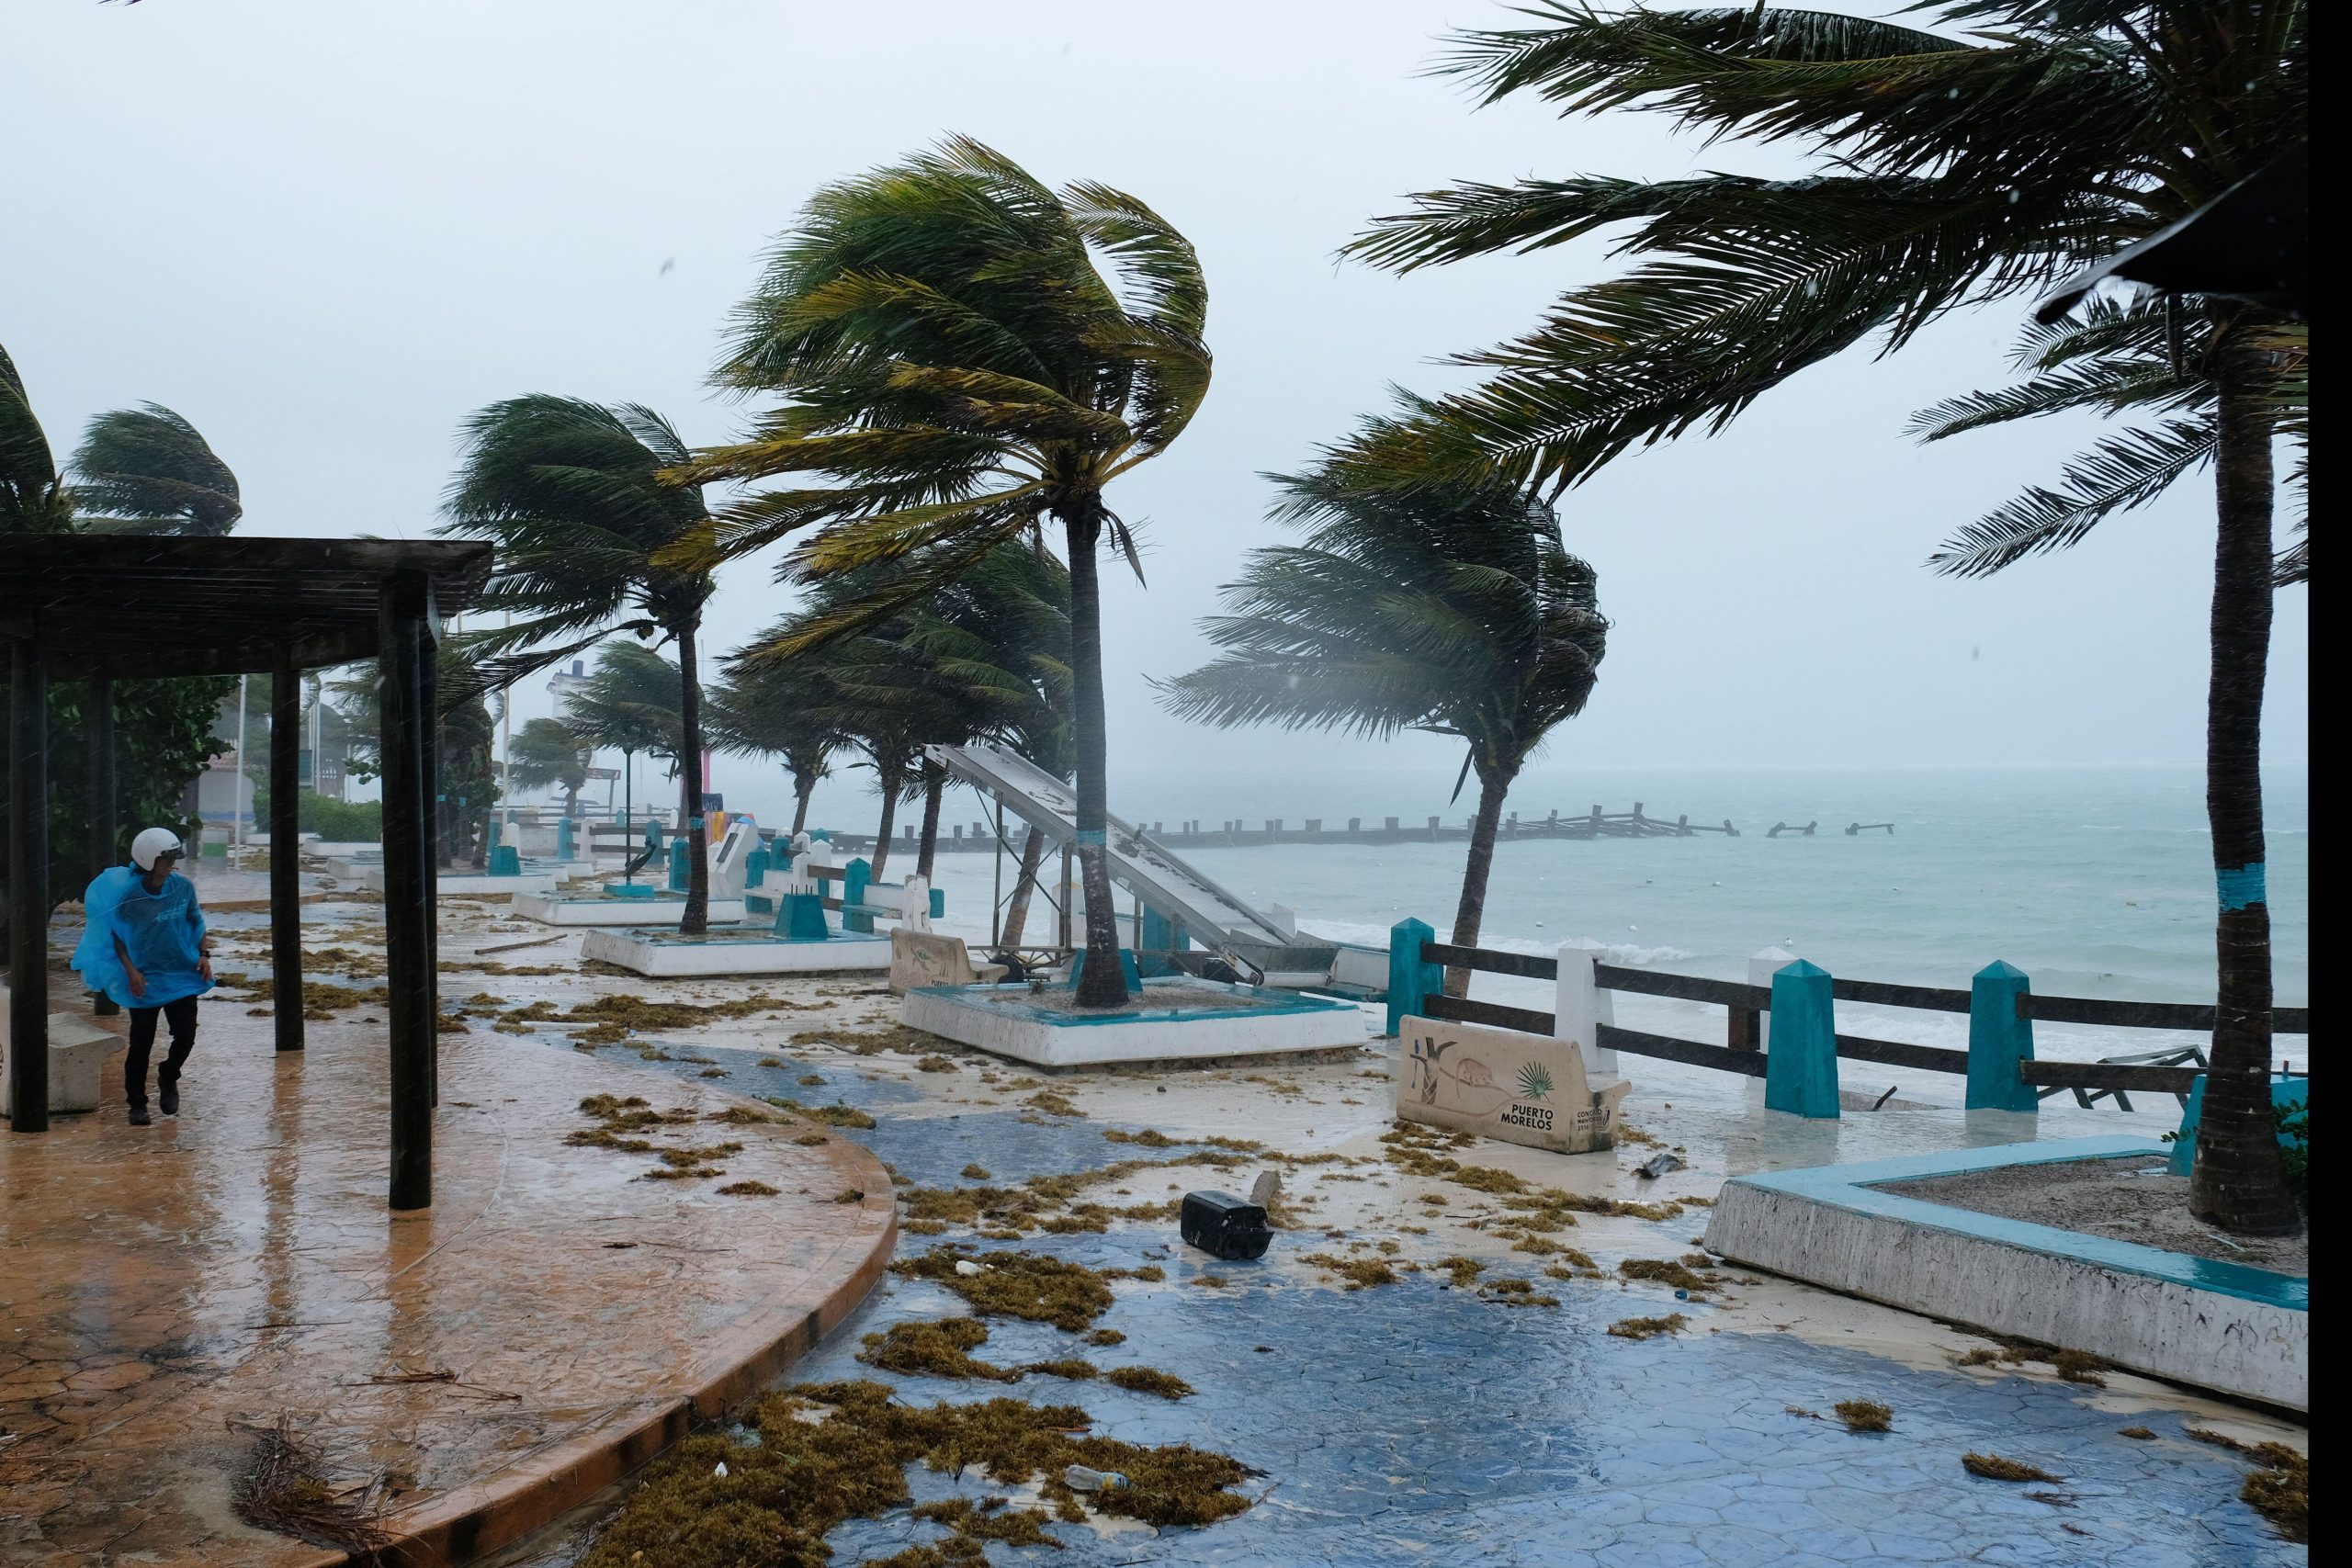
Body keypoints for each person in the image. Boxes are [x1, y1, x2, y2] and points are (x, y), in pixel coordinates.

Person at [72, 828, 216, 1126]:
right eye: (167, 858)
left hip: (181, 974)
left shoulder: (183, 887)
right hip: (144, 979)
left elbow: (196, 920)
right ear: (149, 860)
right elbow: (117, 935)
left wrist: (204, 955)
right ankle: (136, 1104)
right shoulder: (131, 897)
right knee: (141, 1044)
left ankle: (168, 1075)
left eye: (174, 857)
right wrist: (131, 971)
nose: (172, 863)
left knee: (186, 1036)